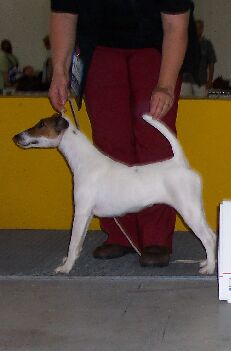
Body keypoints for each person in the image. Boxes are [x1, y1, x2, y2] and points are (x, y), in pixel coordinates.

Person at [49, 0, 191, 268]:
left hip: (155, 48)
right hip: (99, 49)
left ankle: (156, 237)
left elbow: (176, 24)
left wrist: (165, 84)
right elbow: (65, 13)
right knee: (109, 144)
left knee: (155, 143)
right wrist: (59, 70)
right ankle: (121, 233)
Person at [181, 18, 216, 98]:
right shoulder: (185, 43)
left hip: (201, 81)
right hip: (185, 80)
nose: (197, 30)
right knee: (183, 103)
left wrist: (210, 80)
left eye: (199, 28)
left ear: (202, 29)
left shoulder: (207, 44)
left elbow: (211, 63)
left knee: (202, 103)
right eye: (195, 28)